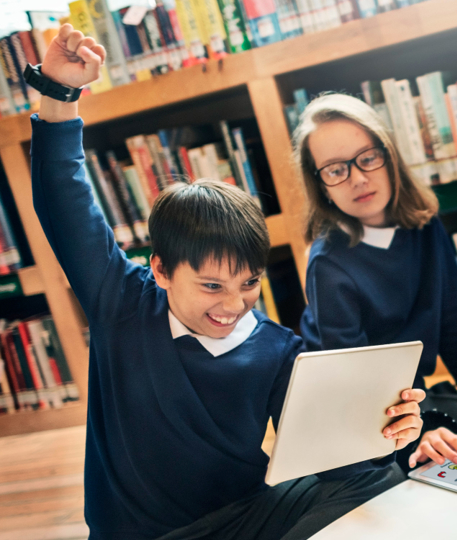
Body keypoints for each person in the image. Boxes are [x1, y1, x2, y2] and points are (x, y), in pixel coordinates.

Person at [31, 25, 426, 540]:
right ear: (161, 271)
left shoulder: (280, 350)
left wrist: (391, 436)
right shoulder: (120, 301)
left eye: (249, 283)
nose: (235, 305)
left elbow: (340, 467)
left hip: (243, 520)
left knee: (380, 482)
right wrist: (61, 93)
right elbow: (65, 201)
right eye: (212, 286)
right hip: (137, 535)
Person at [294, 93, 457, 472]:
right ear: (321, 184)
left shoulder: (425, 227)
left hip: (411, 401)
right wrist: (418, 430)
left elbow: (456, 331)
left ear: (389, 156)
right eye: (335, 169)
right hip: (357, 422)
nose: (358, 178)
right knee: (427, 470)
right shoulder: (326, 265)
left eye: (368, 158)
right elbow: (357, 385)